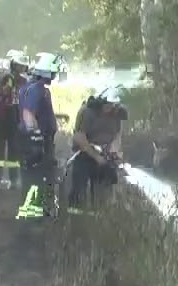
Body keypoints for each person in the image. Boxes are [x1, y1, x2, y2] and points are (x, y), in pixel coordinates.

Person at [15, 52, 63, 220]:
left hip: (30, 141)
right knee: (39, 177)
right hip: (37, 142)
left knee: (33, 177)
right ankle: (34, 217)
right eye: (54, 72)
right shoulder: (37, 89)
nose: (55, 76)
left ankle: (33, 214)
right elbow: (28, 114)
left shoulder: (28, 87)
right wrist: (36, 139)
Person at [66, 86, 128, 214]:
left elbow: (117, 135)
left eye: (112, 105)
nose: (109, 108)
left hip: (105, 154)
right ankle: (76, 212)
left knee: (105, 183)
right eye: (107, 105)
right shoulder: (87, 112)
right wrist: (96, 156)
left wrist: (113, 152)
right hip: (85, 152)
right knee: (80, 181)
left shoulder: (117, 114)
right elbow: (79, 137)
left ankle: (101, 212)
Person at [0, 50, 29, 190]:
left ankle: (13, 180)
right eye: (20, 66)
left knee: (14, 151)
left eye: (23, 67)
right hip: (3, 119)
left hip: (13, 119)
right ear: (14, 66)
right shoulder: (8, 79)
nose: (22, 69)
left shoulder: (23, 81)